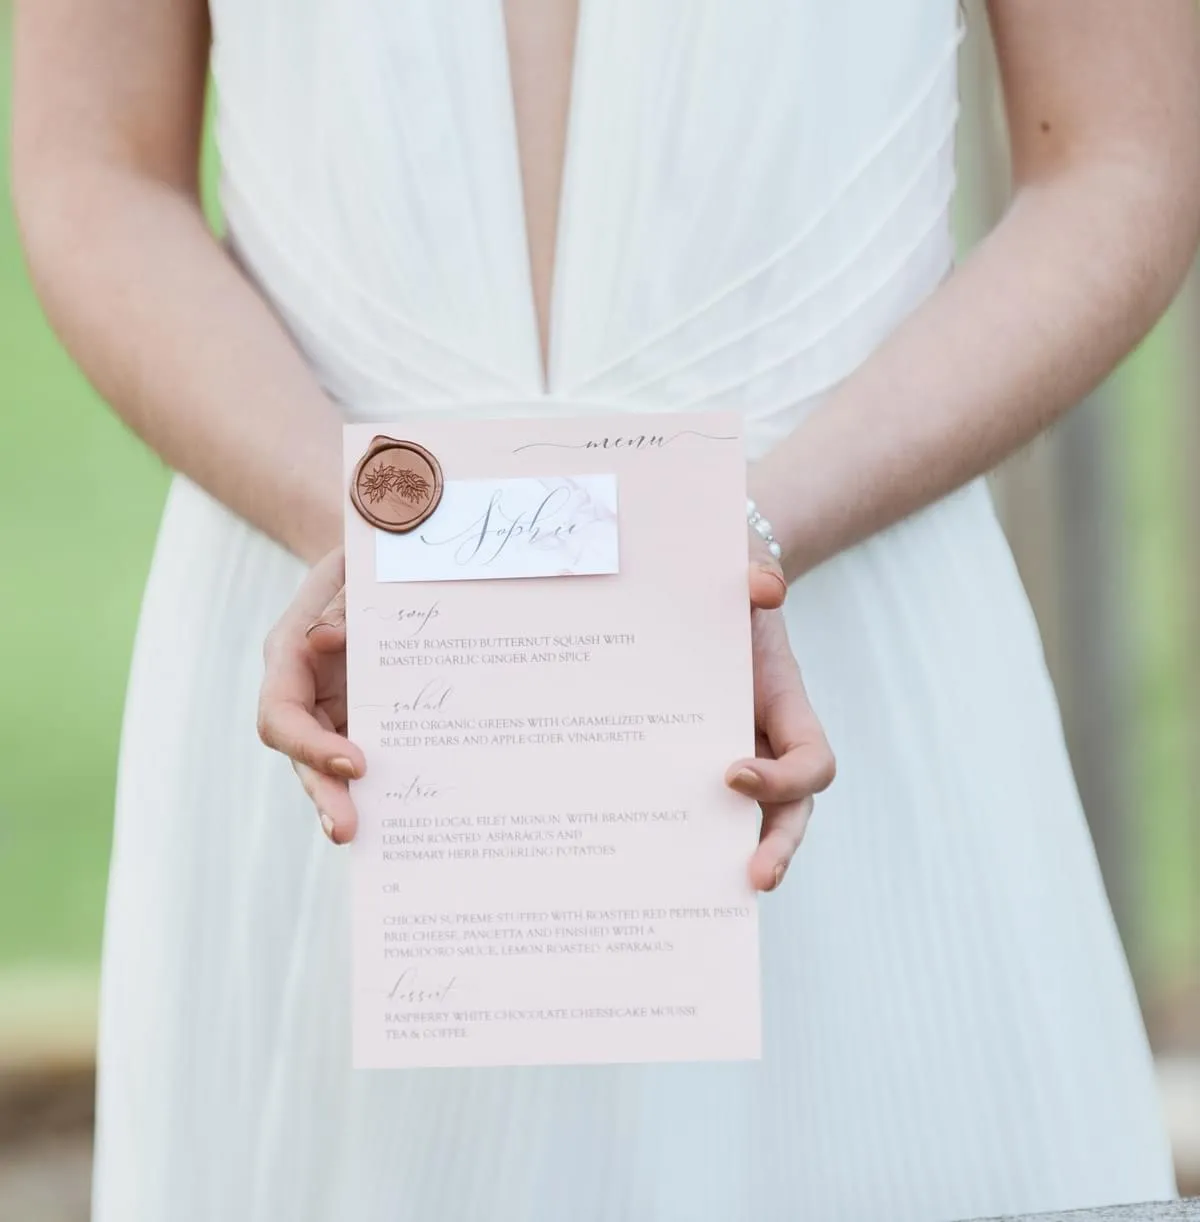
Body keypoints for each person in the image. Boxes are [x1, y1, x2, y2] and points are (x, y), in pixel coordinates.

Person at [12, 2, 1200, 1219]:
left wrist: (746, 536)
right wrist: (371, 528)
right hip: (340, 662)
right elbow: (94, 162)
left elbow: (1119, 159)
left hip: (836, 620)